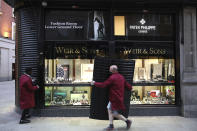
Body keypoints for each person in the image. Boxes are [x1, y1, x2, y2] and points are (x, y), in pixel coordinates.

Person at [91, 65, 133, 130]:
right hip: (118, 98)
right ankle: (111, 125)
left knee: (114, 113)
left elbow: (103, 85)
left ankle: (127, 121)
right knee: (109, 110)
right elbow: (128, 86)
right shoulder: (121, 77)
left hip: (114, 99)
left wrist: (94, 83)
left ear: (113, 70)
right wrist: (130, 88)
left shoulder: (112, 78)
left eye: (110, 69)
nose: (109, 70)